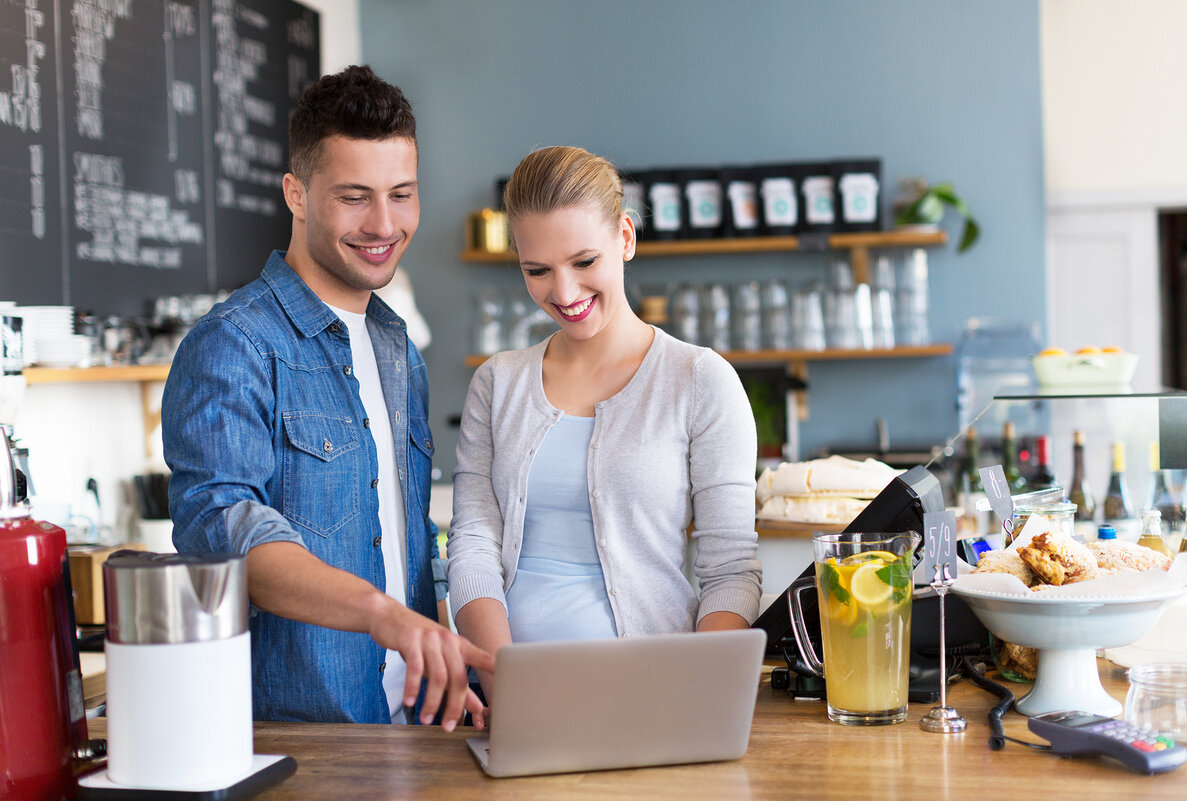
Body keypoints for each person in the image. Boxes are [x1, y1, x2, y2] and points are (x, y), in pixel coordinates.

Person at [162, 65, 491, 729]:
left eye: (402, 194)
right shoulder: (235, 344)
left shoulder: (396, 346)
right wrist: (379, 612)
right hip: (306, 744)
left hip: (421, 727)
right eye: (354, 196)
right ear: (297, 193)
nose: (384, 223)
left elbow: (403, 536)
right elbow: (224, 531)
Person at [447, 146, 762, 698]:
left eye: (584, 261)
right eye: (537, 271)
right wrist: (507, 687)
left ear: (625, 237)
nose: (563, 293)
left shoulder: (699, 380)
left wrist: (695, 693)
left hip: (654, 691)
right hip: (511, 693)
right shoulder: (498, 384)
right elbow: (472, 548)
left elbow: (730, 571)